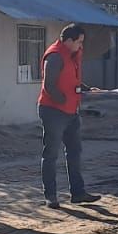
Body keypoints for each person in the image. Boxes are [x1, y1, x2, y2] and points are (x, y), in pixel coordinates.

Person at [38, 23, 102, 208]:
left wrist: (85, 89)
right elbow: (49, 85)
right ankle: (51, 195)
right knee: (51, 154)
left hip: (71, 111)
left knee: (74, 152)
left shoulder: (72, 54)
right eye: (78, 42)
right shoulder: (55, 56)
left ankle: (78, 193)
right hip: (54, 111)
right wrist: (63, 102)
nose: (81, 46)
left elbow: (70, 81)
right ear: (67, 40)